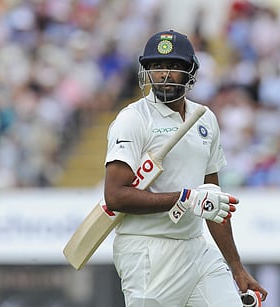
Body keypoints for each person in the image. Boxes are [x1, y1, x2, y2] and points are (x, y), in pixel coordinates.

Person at [104, 29, 268, 306]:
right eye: (157, 66)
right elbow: (115, 196)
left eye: (174, 66)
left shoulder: (204, 118)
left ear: (190, 71)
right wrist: (185, 198)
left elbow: (212, 201)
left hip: (196, 248)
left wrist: (236, 266)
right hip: (147, 249)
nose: (164, 74)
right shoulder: (132, 119)